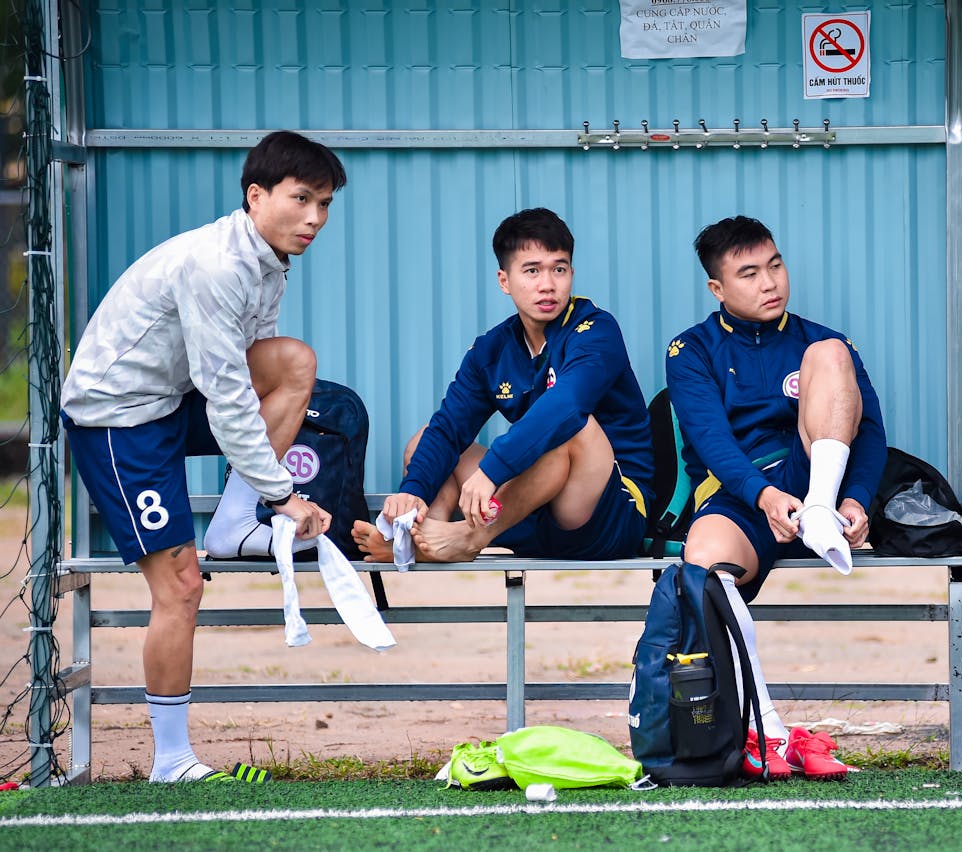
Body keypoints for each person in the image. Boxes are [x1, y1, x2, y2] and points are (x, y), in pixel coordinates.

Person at [60, 131, 347, 783]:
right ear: (256, 195)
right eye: (301, 199)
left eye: (324, 204)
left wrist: (263, 495)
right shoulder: (215, 265)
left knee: (294, 363)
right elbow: (227, 398)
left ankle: (233, 522)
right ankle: (170, 762)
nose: (314, 219)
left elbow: (258, 368)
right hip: (118, 420)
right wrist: (285, 496)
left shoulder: (268, 258)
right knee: (182, 587)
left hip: (170, 399)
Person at [665, 216, 887, 781]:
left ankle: (819, 513)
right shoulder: (690, 350)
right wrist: (763, 496)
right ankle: (767, 728)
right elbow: (711, 442)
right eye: (749, 274)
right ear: (718, 288)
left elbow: (872, 431)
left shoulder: (819, 341)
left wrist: (855, 498)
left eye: (775, 265)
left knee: (831, 354)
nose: (770, 282)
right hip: (742, 492)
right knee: (704, 568)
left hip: (815, 485)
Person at [352, 207, 653, 564]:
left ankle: (466, 537)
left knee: (571, 427)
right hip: (528, 508)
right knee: (425, 442)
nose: (547, 284)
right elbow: (448, 429)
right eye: (531, 271)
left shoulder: (596, 330)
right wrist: (412, 492)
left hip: (604, 515)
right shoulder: (492, 350)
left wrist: (492, 471)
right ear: (504, 280)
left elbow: (567, 406)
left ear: (571, 273)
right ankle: (422, 534)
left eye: (559, 269)